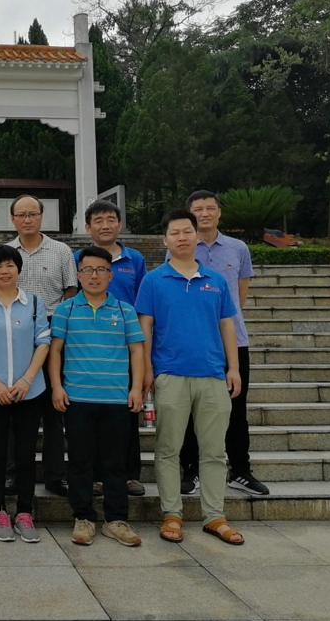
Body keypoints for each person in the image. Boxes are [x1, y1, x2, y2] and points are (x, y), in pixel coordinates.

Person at [135, 210, 245, 546]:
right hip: (170, 375)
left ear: (197, 236)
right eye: (174, 232)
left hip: (212, 375)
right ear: (164, 240)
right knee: (168, 449)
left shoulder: (216, 280)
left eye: (187, 231)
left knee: (214, 451)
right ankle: (172, 513)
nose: (181, 237)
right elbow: (145, 327)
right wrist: (148, 370)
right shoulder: (153, 280)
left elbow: (227, 325)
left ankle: (215, 516)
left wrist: (233, 367)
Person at [51, 246, 146, 547]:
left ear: (110, 274)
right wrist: (57, 386)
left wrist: (136, 388)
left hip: (116, 399)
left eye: (101, 270)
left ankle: (116, 520)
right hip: (77, 398)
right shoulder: (66, 309)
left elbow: (137, 351)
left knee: (114, 463)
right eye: (88, 270)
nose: (94, 276)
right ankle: (83, 518)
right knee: (80, 461)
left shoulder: (125, 310)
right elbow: (55, 351)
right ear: (78, 275)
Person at [178, 191, 268, 496]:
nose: (204, 213)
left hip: (234, 340)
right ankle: (191, 469)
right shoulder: (182, 247)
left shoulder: (238, 248)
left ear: (219, 212)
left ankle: (240, 470)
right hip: (195, 340)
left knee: (236, 408)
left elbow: (240, 296)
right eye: (197, 209)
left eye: (209, 208)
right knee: (190, 408)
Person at [0, 245, 50, 543]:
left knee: (26, 454)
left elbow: (43, 342)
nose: (4, 271)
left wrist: (27, 379)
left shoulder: (35, 303)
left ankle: (25, 512)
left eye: (10, 265)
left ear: (19, 269)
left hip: (30, 391)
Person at [4, 195, 77, 498]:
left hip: (54, 332)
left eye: (33, 214)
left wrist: (59, 325)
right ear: (12, 219)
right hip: (16, 335)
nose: (27, 219)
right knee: (17, 410)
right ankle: (13, 474)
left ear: (42, 216)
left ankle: (55, 475)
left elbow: (71, 290)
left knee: (54, 410)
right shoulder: (6, 253)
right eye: (21, 215)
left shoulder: (61, 251)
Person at [74, 199, 148, 497]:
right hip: (87, 347)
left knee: (127, 412)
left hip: (125, 347)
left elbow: (144, 304)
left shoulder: (135, 259)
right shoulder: (78, 258)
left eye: (110, 219)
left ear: (119, 225)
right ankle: (94, 476)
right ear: (87, 227)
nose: (105, 225)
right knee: (89, 417)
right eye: (98, 220)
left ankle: (129, 475)